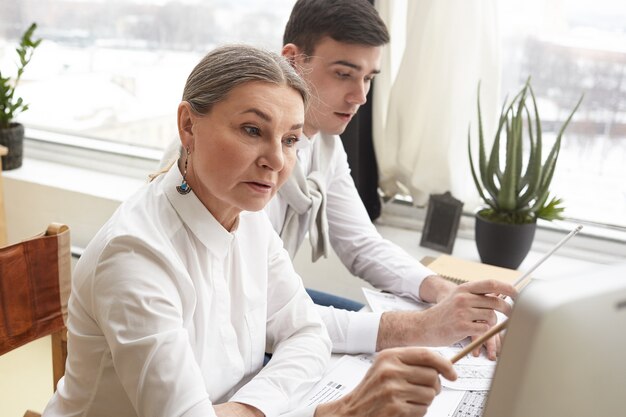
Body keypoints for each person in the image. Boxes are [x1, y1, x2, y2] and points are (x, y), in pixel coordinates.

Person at [42, 44, 457, 417]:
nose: (276, 160)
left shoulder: (249, 219)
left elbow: (307, 333)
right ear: (188, 126)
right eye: (252, 130)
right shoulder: (135, 255)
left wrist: (248, 408)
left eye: (291, 139)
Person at [266, 0, 518, 359]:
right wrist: (425, 327)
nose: (360, 97)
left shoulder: (325, 143)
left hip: (271, 302)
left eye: (368, 78)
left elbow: (361, 244)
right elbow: (259, 316)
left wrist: (441, 290)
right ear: (293, 60)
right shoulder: (249, 155)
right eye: (344, 73)